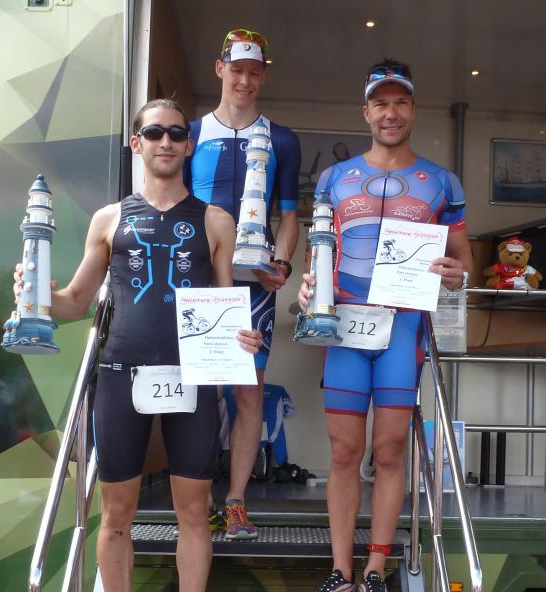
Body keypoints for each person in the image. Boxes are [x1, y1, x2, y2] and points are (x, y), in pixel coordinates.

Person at [16, 99, 262, 592]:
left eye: (176, 133)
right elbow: (76, 301)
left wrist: (242, 336)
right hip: (120, 374)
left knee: (194, 514)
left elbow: (224, 305)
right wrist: (36, 291)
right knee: (115, 517)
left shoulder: (217, 221)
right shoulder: (109, 218)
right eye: (154, 133)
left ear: (189, 145)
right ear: (137, 143)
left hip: (192, 377)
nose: (165, 141)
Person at [298, 59, 473, 592]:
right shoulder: (334, 178)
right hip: (345, 327)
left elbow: (463, 260)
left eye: (400, 103)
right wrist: (308, 287)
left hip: (403, 329)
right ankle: (340, 570)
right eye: (381, 103)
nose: (390, 113)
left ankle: (376, 567)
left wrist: (455, 275)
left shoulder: (441, 181)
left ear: (413, 110)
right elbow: (318, 253)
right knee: (344, 451)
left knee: (391, 449)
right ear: (366, 112)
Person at [183, 28, 301, 540]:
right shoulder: (190, 133)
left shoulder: (282, 139)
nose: (245, 81)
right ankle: (197, 501)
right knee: (197, 388)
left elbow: (290, 216)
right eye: (237, 70)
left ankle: (235, 503)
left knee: (248, 391)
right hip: (200, 279)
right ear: (220, 68)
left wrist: (284, 264)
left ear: (264, 75)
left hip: (255, 282)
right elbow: (177, 208)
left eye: (255, 72)